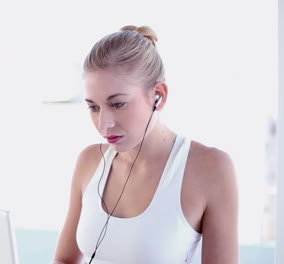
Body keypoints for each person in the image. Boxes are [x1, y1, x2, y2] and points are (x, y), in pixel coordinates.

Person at [52, 25, 239, 264]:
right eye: (93, 107)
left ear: (158, 95)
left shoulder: (210, 168)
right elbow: (65, 260)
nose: (104, 124)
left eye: (118, 104)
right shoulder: (89, 160)